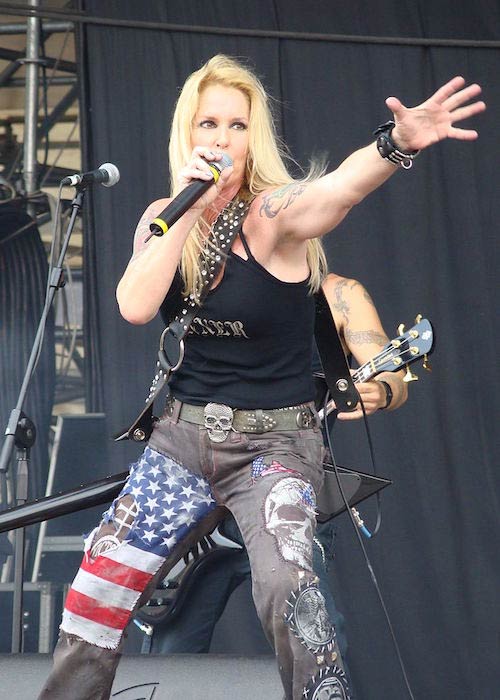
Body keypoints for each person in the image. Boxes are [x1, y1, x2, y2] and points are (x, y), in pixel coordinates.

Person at [37, 55, 484, 700]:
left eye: (237, 126)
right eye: (208, 123)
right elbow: (134, 305)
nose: (220, 138)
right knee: (98, 587)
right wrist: (187, 212)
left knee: (288, 590)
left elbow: (336, 190)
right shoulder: (165, 217)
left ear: (255, 139)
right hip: (182, 443)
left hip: (271, 449)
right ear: (186, 135)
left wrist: (395, 144)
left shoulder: (272, 215)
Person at [135, 270, 409, 695]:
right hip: (201, 498)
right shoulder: (208, 279)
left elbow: (390, 368)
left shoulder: (339, 293)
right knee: (172, 645)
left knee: (316, 634)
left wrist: (384, 389)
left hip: (287, 495)